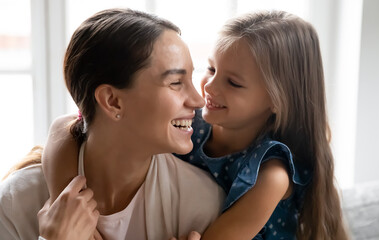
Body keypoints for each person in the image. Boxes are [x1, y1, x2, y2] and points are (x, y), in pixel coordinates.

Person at [42, 10, 349, 240]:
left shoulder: (271, 175)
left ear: (276, 100)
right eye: (211, 69)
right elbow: (66, 126)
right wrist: (66, 200)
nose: (206, 92)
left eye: (233, 83)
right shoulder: (194, 125)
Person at [0, 8, 225, 240]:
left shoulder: (202, 205)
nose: (198, 100)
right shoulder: (16, 202)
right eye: (176, 82)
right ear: (113, 101)